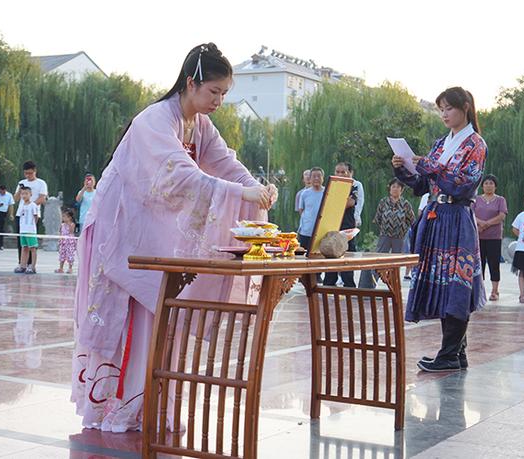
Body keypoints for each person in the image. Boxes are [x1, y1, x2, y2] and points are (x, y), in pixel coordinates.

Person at [71, 43, 277, 432]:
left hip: (148, 233)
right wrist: (239, 194)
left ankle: (149, 404)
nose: (219, 100)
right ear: (190, 83)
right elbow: (179, 176)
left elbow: (224, 163)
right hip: (121, 229)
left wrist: (254, 186)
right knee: (136, 317)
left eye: (224, 93)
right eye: (213, 91)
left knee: (162, 313)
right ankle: (117, 407)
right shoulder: (155, 120)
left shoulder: (199, 123)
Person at [392, 87, 486, 372]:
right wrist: (404, 169)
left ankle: (449, 354)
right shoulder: (441, 143)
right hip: (436, 215)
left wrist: (430, 166)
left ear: (465, 107)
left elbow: (464, 184)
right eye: (441, 109)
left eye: (449, 108)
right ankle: (456, 354)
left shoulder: (475, 144)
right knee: (446, 285)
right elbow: (423, 185)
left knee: (458, 283)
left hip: (457, 216)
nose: (444, 114)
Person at [471, 174, 508, 301]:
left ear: (495, 186)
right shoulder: (476, 199)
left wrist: (487, 223)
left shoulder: (500, 200)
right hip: (478, 236)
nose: (488, 185)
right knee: (479, 263)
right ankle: (478, 290)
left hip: (494, 237)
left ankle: (495, 290)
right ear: (482, 186)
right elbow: (470, 214)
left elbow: (502, 216)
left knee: (494, 263)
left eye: (491, 183)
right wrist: (480, 222)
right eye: (486, 183)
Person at [323, 162, 358, 287]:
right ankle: (328, 287)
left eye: (343, 172)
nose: (340, 174)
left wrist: (334, 200)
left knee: (347, 263)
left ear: (350, 173)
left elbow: (349, 203)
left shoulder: (354, 187)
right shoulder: (330, 187)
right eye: (337, 171)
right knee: (330, 261)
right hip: (331, 229)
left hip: (347, 230)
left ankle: (349, 288)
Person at [13, 161, 48, 267]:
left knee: (31, 241)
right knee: (21, 240)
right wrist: (20, 190)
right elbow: (15, 199)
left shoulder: (41, 183)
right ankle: (21, 263)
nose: (28, 175)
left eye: (30, 173)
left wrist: (30, 205)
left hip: (33, 215)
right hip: (21, 214)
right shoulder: (21, 183)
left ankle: (30, 264)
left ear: (35, 171)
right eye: (26, 173)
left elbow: (42, 198)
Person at [373, 178, 415, 254]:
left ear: (401, 190)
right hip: (385, 235)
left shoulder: (405, 204)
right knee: (380, 258)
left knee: (397, 260)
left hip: (399, 237)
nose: (395, 189)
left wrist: (402, 229)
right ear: (390, 189)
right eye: (393, 187)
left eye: (398, 187)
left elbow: (411, 220)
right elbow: (378, 218)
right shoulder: (383, 202)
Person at [297, 167, 325, 251]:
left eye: (319, 176)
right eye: (314, 176)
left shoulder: (327, 192)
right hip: (306, 231)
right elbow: (301, 210)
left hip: (322, 232)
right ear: (310, 178)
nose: (316, 178)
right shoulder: (304, 193)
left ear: (323, 178)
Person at [14, 187, 39, 274]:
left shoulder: (33, 205)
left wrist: (32, 226)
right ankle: (22, 266)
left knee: (32, 248)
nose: (24, 195)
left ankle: (32, 267)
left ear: (30, 194)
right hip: (22, 230)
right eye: (22, 194)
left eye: (26, 193)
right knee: (24, 248)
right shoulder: (21, 205)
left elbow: (36, 217)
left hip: (30, 230)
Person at [56, 209, 77, 274]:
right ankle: (61, 268)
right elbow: (60, 231)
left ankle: (70, 268)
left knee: (70, 255)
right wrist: (60, 238)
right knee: (62, 255)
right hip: (63, 242)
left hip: (69, 242)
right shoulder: (62, 225)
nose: (63, 218)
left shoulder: (72, 224)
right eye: (63, 216)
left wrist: (68, 223)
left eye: (64, 216)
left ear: (69, 217)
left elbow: (71, 231)